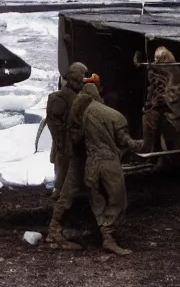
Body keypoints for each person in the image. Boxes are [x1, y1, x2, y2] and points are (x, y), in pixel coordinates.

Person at [81, 82, 144, 255]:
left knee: (97, 199)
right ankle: (109, 237)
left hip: (90, 163)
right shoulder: (112, 115)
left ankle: (104, 234)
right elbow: (125, 140)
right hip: (108, 162)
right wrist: (139, 145)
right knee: (118, 200)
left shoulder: (80, 114)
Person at [44, 79, 99, 250]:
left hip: (79, 156)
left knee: (71, 193)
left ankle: (57, 231)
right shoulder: (84, 108)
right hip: (80, 156)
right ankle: (55, 233)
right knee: (70, 194)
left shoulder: (74, 104)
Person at [43, 62, 87, 199]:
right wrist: (64, 143)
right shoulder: (60, 98)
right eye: (82, 77)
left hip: (71, 143)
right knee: (63, 172)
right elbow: (55, 125)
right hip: (65, 144)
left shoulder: (77, 96)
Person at [141, 46, 180, 153]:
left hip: (170, 108)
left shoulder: (173, 70)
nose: (156, 61)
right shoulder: (154, 71)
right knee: (151, 126)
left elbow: (174, 89)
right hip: (157, 105)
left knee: (171, 136)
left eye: (159, 58)